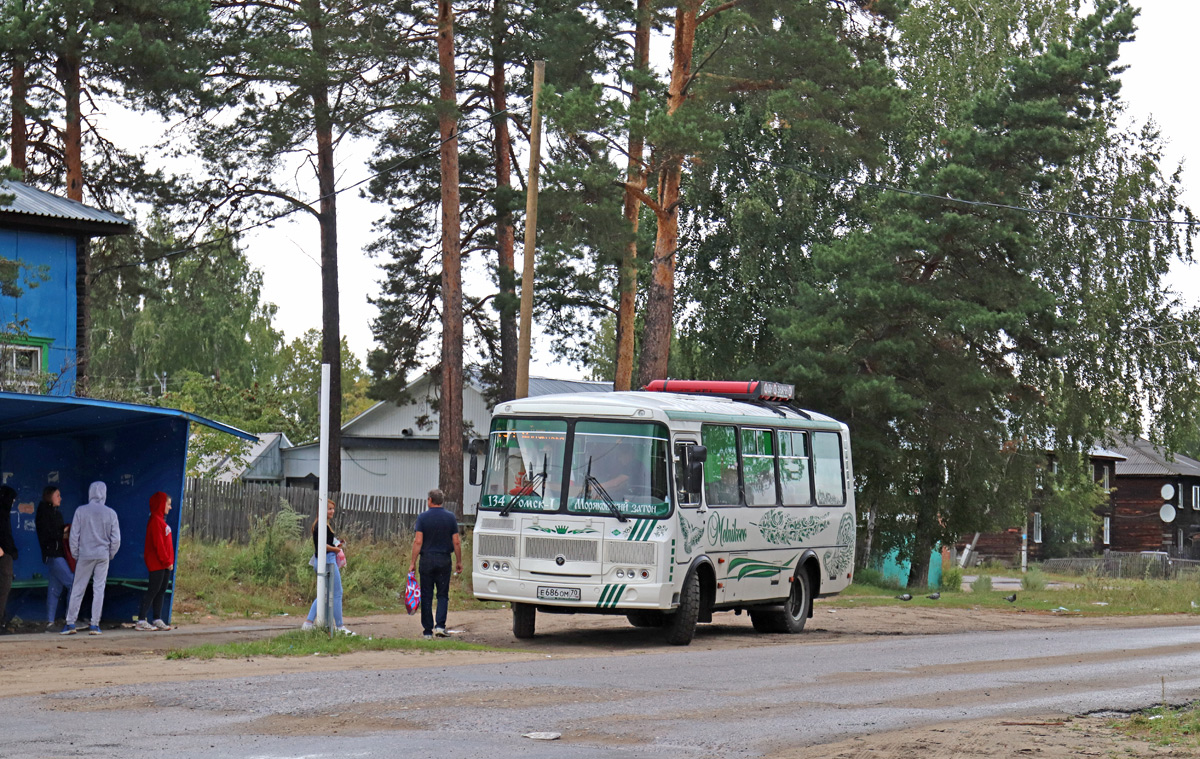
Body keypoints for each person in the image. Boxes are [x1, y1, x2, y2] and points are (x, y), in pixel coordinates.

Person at [63, 481, 120, 636]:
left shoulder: (81, 511)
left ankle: (70, 623)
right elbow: (116, 539)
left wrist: (76, 553)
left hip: (84, 554)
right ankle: (95, 624)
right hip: (102, 555)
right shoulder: (111, 513)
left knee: (78, 588)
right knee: (99, 589)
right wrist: (109, 554)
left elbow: (74, 535)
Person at [408, 488, 462, 639]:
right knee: (443, 594)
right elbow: (456, 541)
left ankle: (427, 631)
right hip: (444, 559)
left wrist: (413, 562)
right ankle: (440, 626)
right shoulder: (450, 517)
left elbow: (418, 541)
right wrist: (459, 561)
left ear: (430, 500)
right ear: (442, 501)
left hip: (427, 559)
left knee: (426, 595)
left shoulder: (423, 518)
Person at [301, 499, 354, 635]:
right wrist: (336, 550)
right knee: (337, 592)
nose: (332, 511)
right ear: (322, 510)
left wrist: (336, 544)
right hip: (327, 560)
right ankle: (340, 626)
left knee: (323, 594)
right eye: (329, 509)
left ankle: (308, 623)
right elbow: (322, 546)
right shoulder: (321, 526)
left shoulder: (322, 525)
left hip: (321, 560)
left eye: (333, 509)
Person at [36, 486, 74, 632]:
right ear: (50, 496)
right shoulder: (45, 513)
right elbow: (50, 534)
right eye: (57, 495)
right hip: (54, 554)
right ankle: (70, 620)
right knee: (72, 584)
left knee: (54, 589)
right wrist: (63, 532)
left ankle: (50, 623)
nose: (60, 498)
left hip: (54, 554)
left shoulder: (53, 512)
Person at [135, 492, 175, 631]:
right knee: (153, 589)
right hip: (157, 563)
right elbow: (159, 544)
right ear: (161, 504)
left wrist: (169, 561)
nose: (170, 507)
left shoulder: (160, 521)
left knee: (161, 590)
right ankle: (141, 620)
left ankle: (157, 618)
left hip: (164, 563)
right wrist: (166, 560)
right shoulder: (155, 521)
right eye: (168, 504)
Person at [0, 485, 18, 634]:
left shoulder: (4, 513)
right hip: (3, 555)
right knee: (3, 588)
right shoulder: (2, 512)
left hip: (5, 553)